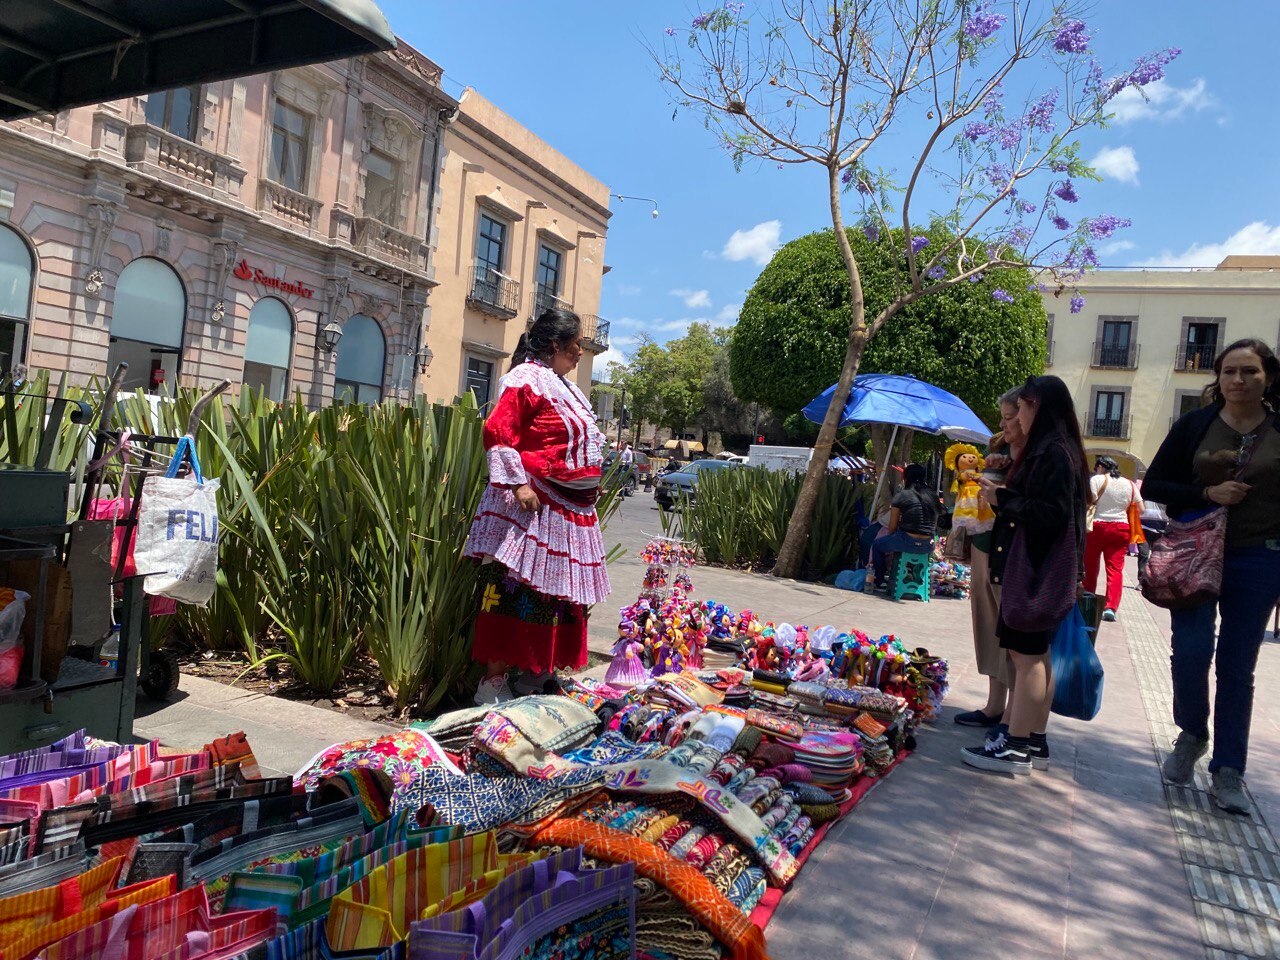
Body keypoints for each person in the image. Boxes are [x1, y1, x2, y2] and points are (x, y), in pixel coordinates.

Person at [1142, 338, 1280, 815]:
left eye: (1250, 371)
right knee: (1191, 650)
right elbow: (1155, 483)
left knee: (1237, 666)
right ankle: (1192, 733)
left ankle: (1228, 771)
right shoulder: (1195, 425)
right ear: (1218, 378)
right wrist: (1207, 493)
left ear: (1268, 377)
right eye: (1229, 371)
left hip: (1260, 557)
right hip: (1195, 550)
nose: (1238, 379)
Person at [463, 309, 611, 705]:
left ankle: (536, 673)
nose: (580, 351)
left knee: (556, 595)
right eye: (576, 344)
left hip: (569, 511)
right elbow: (498, 431)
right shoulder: (526, 379)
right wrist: (518, 483)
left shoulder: (567, 388)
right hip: (535, 507)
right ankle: (492, 683)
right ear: (555, 345)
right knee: (517, 591)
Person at [962, 375, 1089, 775]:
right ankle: (1033, 739)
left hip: (1034, 568)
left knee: (1027, 658)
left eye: (1022, 408)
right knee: (1037, 656)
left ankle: (1016, 746)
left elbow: (1051, 514)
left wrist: (1003, 498)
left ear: (1038, 407)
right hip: (1039, 567)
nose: (1016, 417)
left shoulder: (1052, 452)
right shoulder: (1058, 449)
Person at [954, 387, 1023, 728]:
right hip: (986, 543)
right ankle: (995, 704)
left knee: (1014, 633)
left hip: (1013, 551)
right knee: (987, 623)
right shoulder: (997, 446)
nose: (1002, 424)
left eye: (1010, 417)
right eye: (1003, 417)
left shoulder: (1039, 453)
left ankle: (1015, 713)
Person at [1083, 455, 1142, 622]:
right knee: (1115, 569)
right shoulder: (1130, 484)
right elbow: (1141, 509)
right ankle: (1110, 608)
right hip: (1121, 528)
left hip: (1097, 527)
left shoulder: (1097, 480)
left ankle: (1088, 598)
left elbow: (1088, 502)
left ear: (1101, 467)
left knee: (1090, 565)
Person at [870, 463, 939, 589]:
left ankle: (879, 580)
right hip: (928, 545)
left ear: (905, 478)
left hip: (907, 540)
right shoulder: (933, 496)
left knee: (877, 545)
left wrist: (891, 541)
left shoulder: (902, 495)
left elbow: (892, 526)